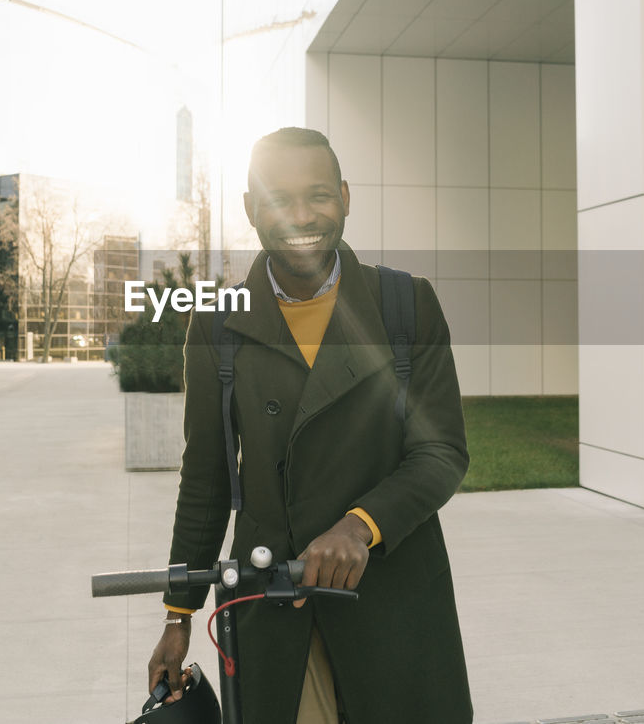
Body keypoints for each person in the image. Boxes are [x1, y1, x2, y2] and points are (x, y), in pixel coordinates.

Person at [147, 127, 472, 724]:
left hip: (392, 598)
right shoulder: (217, 327)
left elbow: (441, 452)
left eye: (318, 195)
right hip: (273, 604)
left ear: (345, 196)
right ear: (250, 210)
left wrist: (359, 526)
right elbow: (207, 479)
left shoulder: (407, 305)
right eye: (277, 200)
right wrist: (179, 616)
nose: (301, 216)